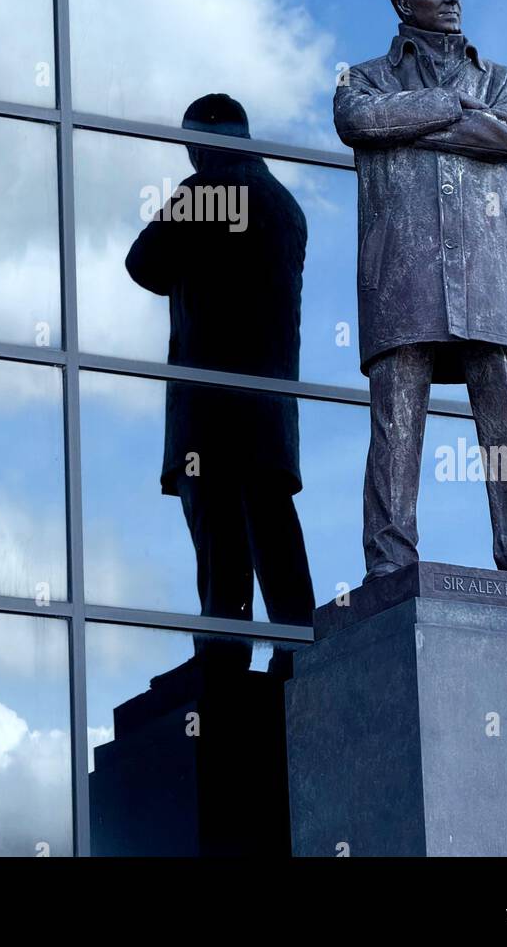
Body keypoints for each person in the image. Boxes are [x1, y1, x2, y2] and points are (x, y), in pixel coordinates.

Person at [334, 0, 507, 582]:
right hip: (402, 280)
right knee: (396, 426)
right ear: (406, 2)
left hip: (491, 280)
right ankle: (388, 558)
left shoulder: (498, 76)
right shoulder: (363, 77)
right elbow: (360, 119)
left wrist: (413, 120)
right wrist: (453, 110)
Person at [125, 94, 315, 648]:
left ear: (201, 141)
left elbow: (144, 263)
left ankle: (222, 658)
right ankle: (296, 646)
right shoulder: (285, 204)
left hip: (212, 401)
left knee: (219, 532)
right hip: (270, 403)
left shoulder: (208, 190)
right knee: (272, 526)